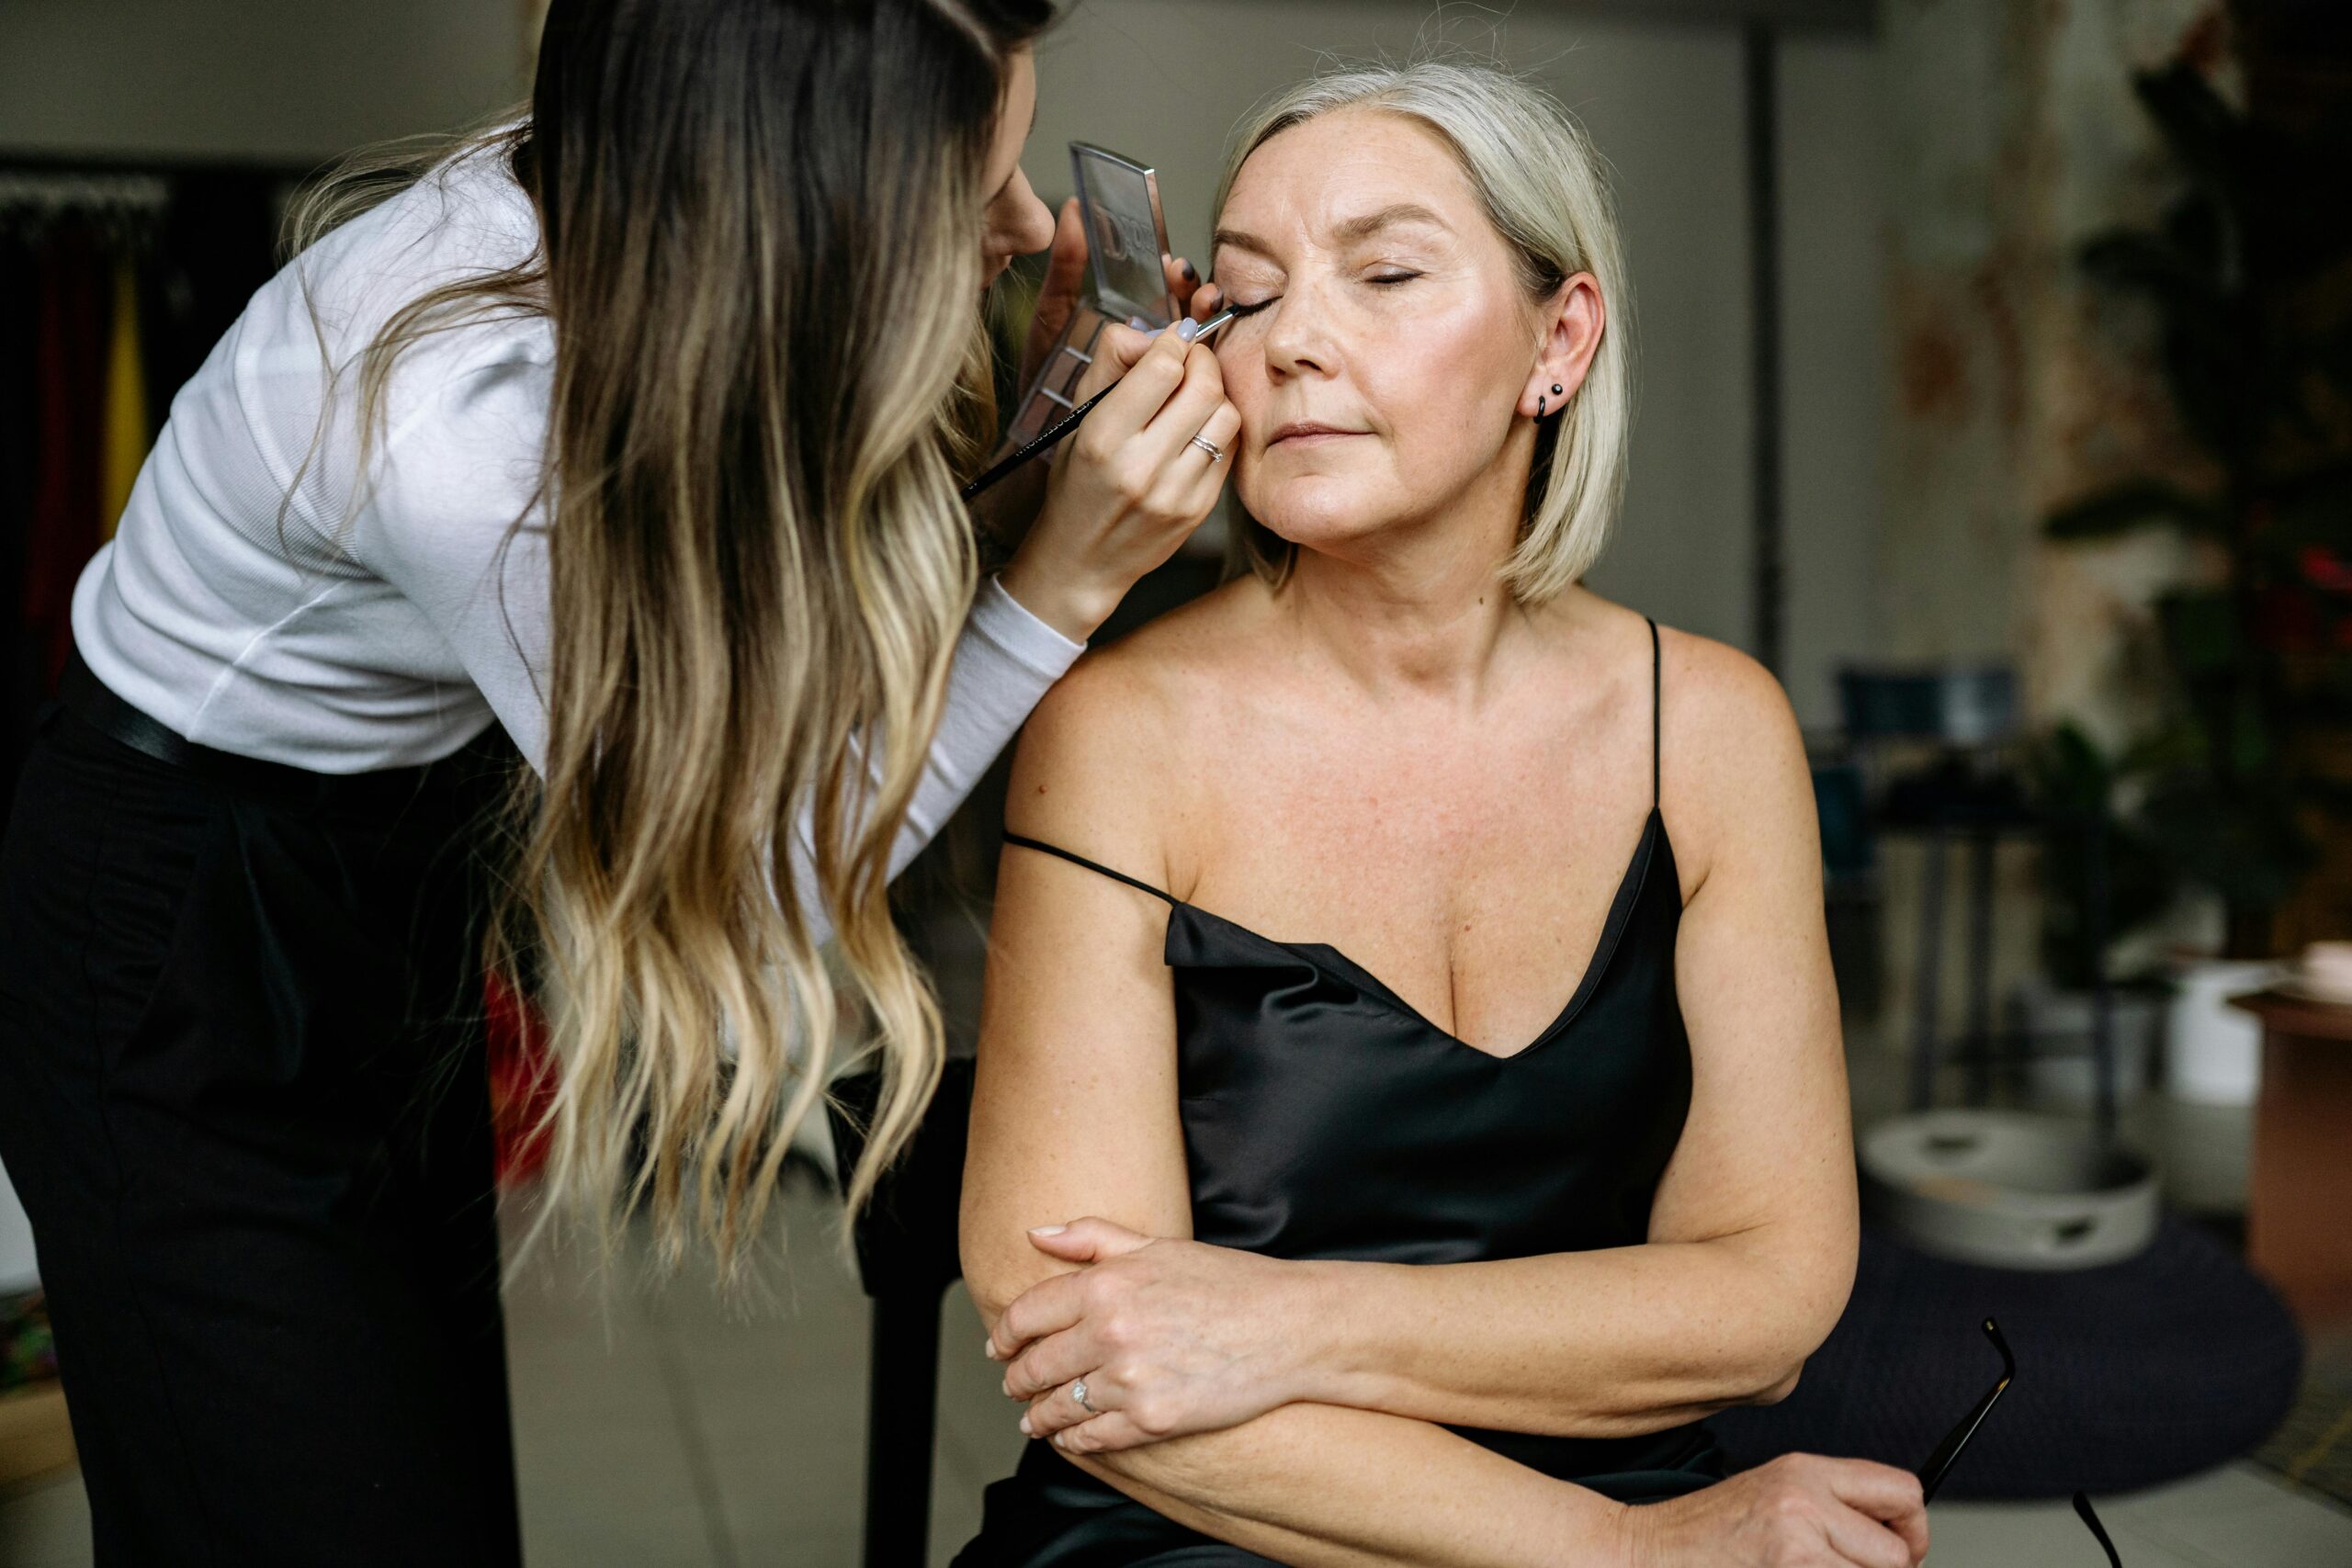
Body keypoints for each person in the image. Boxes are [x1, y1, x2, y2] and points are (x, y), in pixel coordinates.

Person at [0, 1, 1236, 1562]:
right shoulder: (467, 424)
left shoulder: (649, 220)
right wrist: (1065, 579)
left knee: (418, 1464)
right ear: (793, 206)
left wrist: (1032, 452)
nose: (1028, 226)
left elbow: (793, 677)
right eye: (969, 188)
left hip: (390, 850)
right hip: (173, 903)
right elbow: (770, 877)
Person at [956, 62, 1930, 1568]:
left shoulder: (1713, 733)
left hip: (1652, 1494)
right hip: (1207, 1524)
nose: (1292, 341)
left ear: (1561, 340)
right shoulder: (1112, 735)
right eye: (1248, 294)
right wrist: (1628, 1556)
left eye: (1387, 274)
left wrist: (1288, 1321)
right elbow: (1084, 1353)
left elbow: (1769, 1297)